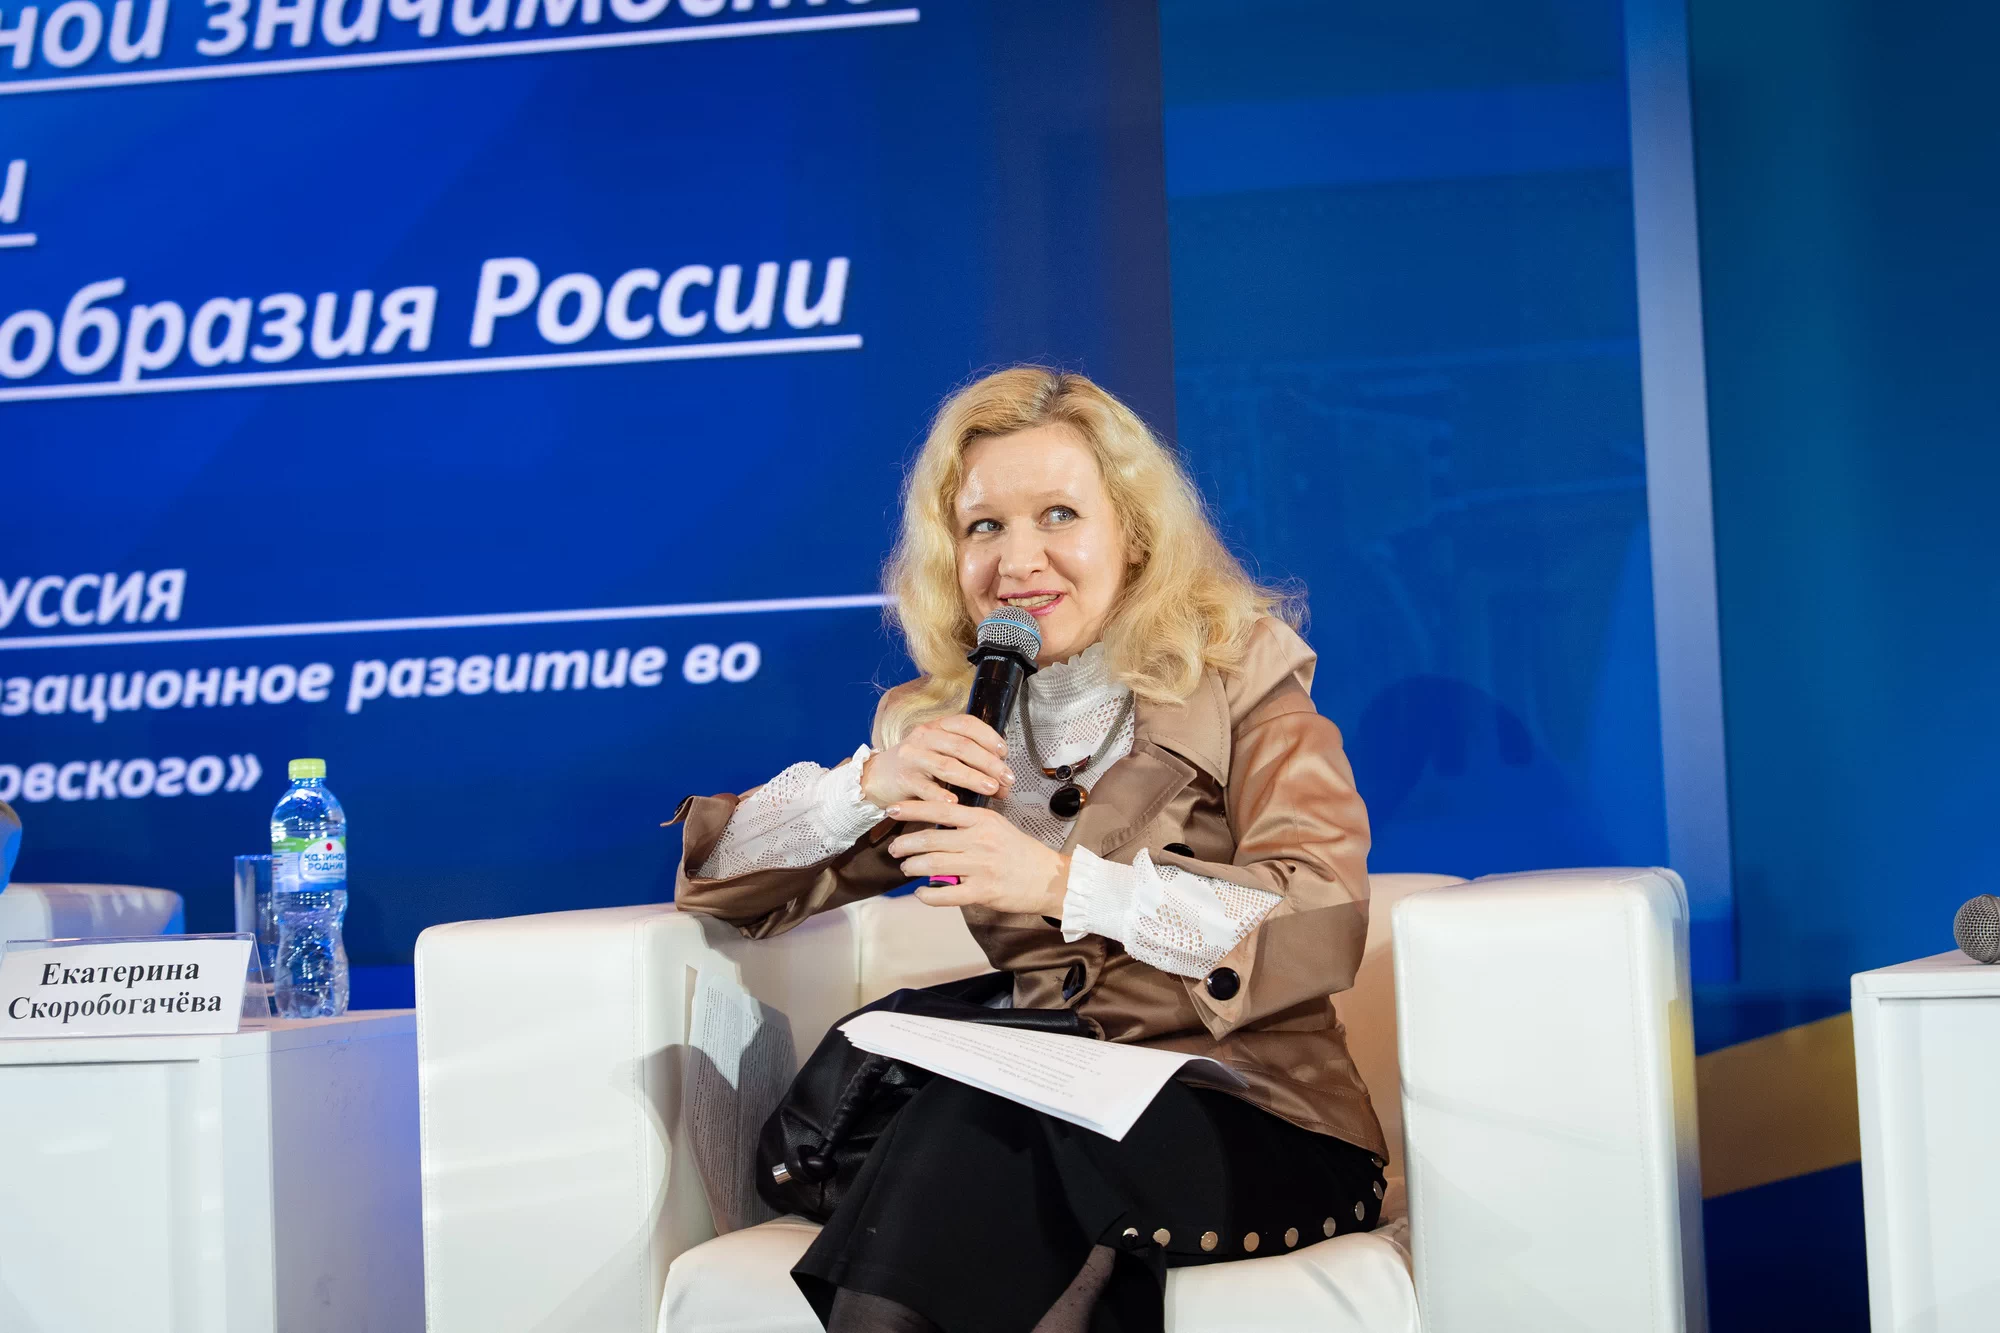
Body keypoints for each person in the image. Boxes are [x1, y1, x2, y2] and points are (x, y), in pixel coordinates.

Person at [672, 367, 1384, 1333]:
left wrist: (1061, 883)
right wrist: (869, 784)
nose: (1018, 560)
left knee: (985, 1126)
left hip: (1260, 1110)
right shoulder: (950, 722)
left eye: (1059, 515)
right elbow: (723, 880)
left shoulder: (1240, 678)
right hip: (1046, 1100)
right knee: (987, 1124)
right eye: (984, 526)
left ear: (1134, 535)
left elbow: (1322, 913)